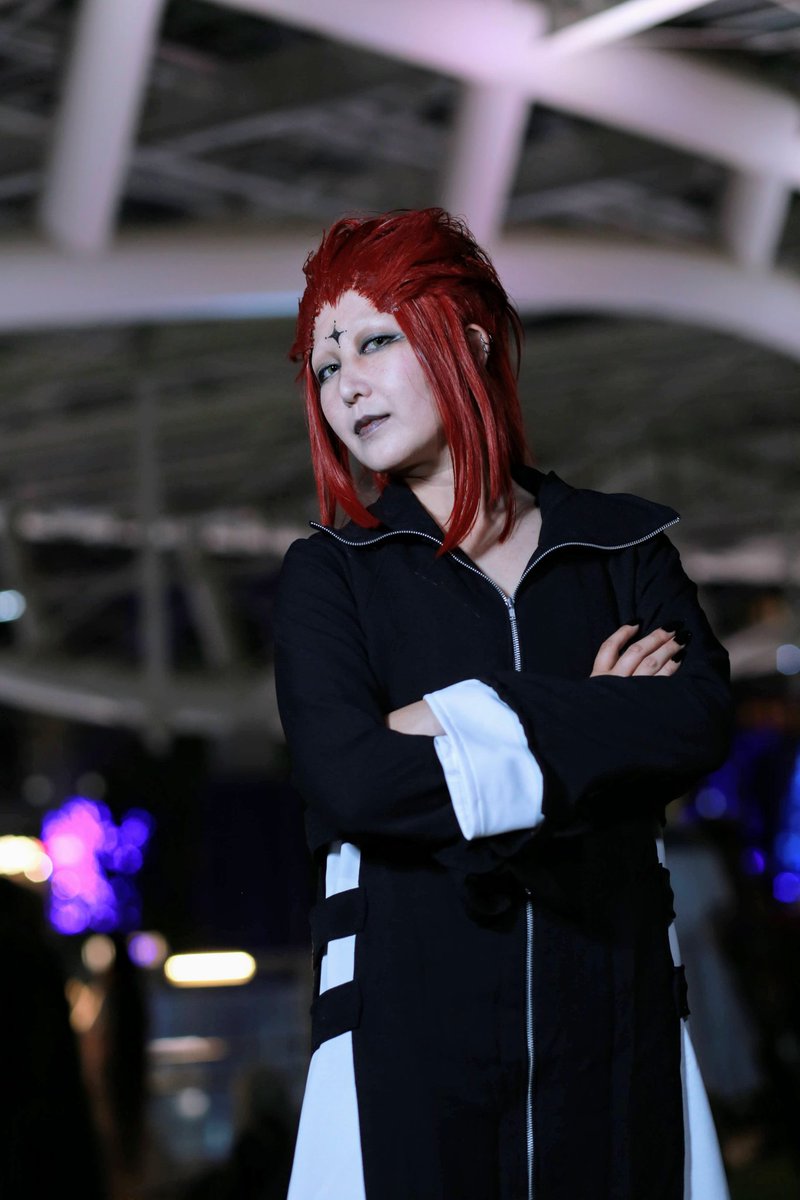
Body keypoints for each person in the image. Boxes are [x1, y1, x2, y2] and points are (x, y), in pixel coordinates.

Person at [272, 207, 735, 1200]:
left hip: (612, 1029)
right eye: (325, 365)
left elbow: (695, 721)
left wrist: (450, 715)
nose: (345, 383)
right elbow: (352, 779)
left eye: (374, 341)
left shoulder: (620, 547)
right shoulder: (331, 576)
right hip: (411, 1045)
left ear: (472, 342)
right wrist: (586, 715)